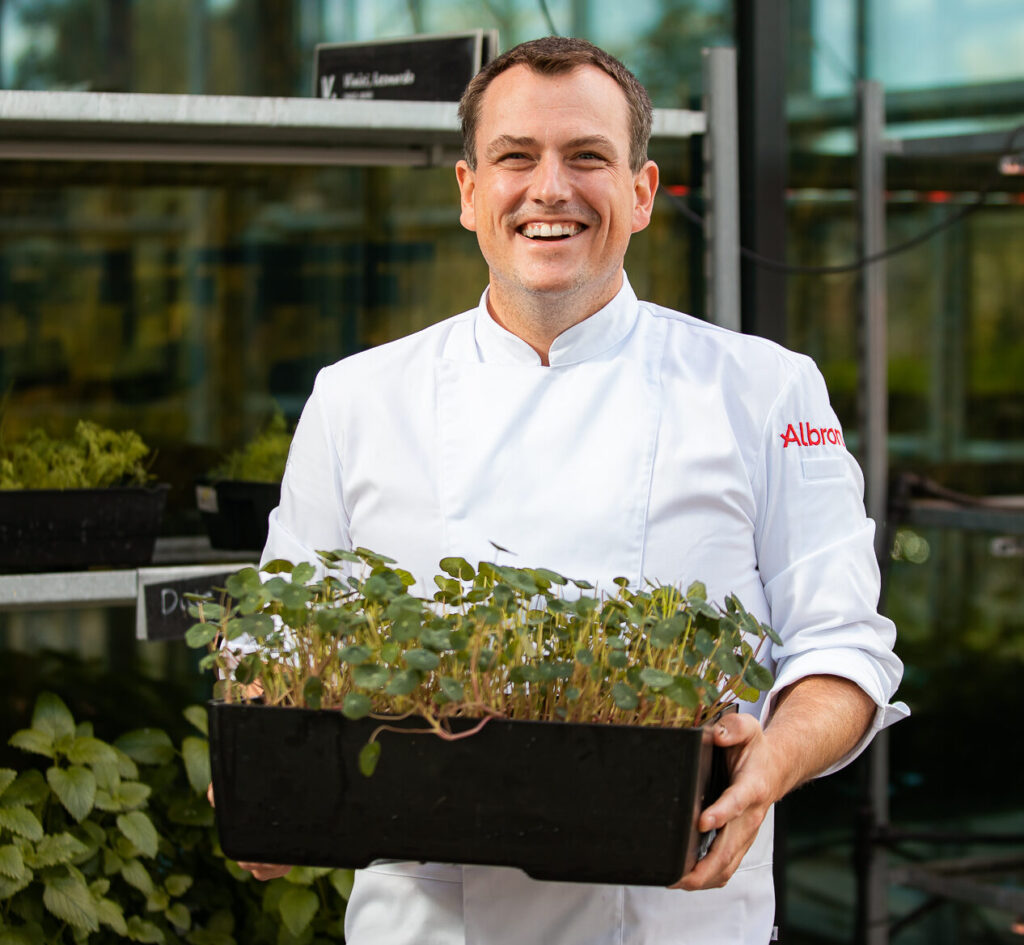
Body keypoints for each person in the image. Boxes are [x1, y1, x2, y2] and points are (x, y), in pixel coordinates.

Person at [236, 36, 908, 944]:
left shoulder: (764, 389)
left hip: (671, 917)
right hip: (429, 924)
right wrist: (261, 775)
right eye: (516, 157)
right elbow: (280, 638)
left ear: (642, 191)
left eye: (587, 156)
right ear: (470, 191)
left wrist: (771, 763)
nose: (549, 188)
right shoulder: (356, 397)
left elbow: (843, 645)